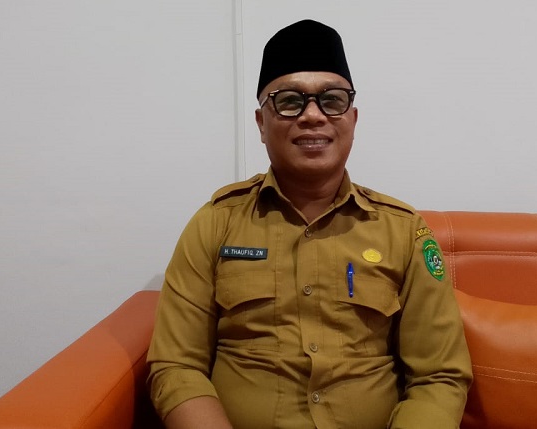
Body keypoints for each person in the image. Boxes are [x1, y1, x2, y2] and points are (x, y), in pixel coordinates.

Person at [147, 19, 472, 429]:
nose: (313, 116)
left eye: (332, 100)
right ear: (261, 123)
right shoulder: (215, 224)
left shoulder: (404, 231)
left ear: (353, 119)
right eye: (289, 101)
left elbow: (439, 375)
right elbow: (176, 365)